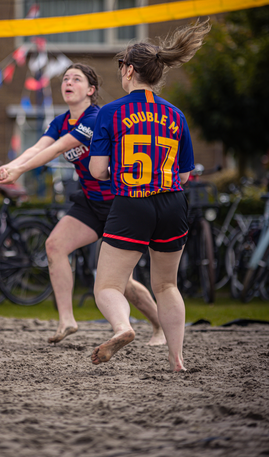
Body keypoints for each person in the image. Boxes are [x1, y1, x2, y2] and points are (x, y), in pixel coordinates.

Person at [0, 63, 165, 346]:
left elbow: (58, 148)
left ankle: (160, 327)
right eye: (65, 78)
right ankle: (67, 320)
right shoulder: (61, 121)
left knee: (125, 284)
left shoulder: (95, 117)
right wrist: (9, 166)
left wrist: (19, 172)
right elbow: (39, 147)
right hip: (90, 201)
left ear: (91, 90)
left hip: (118, 205)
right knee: (54, 246)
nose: (68, 82)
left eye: (76, 79)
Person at [89, 20, 211, 372]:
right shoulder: (176, 114)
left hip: (132, 202)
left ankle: (124, 327)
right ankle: (177, 360)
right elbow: (185, 175)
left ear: (128, 70)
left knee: (108, 286)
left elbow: (98, 170)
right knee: (167, 285)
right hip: (173, 203)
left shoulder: (111, 112)